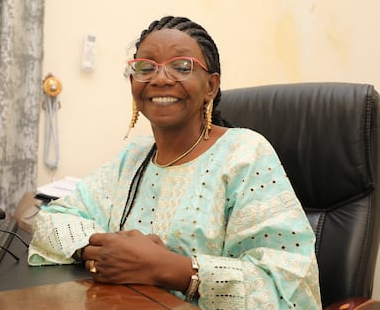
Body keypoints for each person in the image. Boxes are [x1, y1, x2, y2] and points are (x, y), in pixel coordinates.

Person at [28, 16, 322, 309]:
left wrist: (175, 270)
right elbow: (51, 220)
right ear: (133, 82)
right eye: (146, 68)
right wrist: (109, 252)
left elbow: (288, 289)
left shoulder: (244, 154)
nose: (160, 79)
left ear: (211, 86)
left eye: (182, 67)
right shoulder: (134, 157)